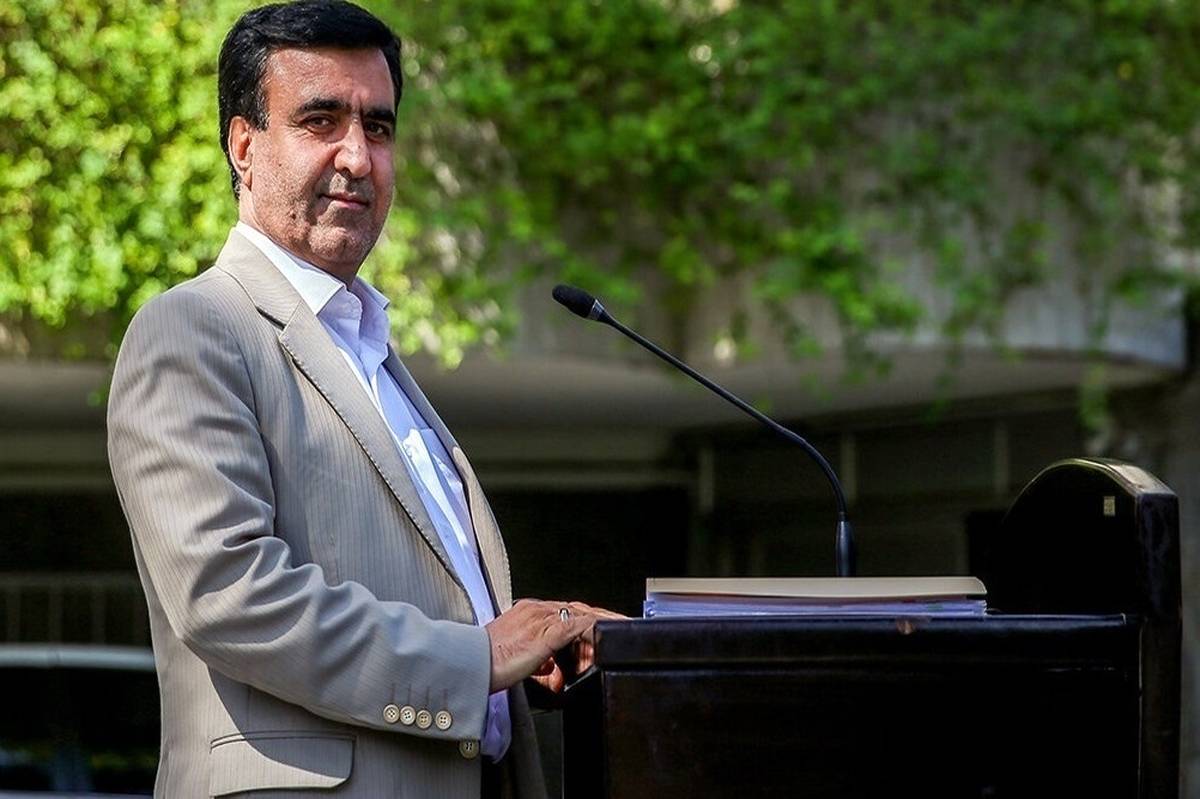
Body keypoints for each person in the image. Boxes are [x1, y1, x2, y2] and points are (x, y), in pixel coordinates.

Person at [106, 2, 608, 796]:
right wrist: (475, 658)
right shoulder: (195, 327)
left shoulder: (370, 350)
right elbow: (228, 592)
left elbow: (449, 620)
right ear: (244, 145)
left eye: (378, 127)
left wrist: (535, 648)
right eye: (320, 120)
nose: (357, 156)